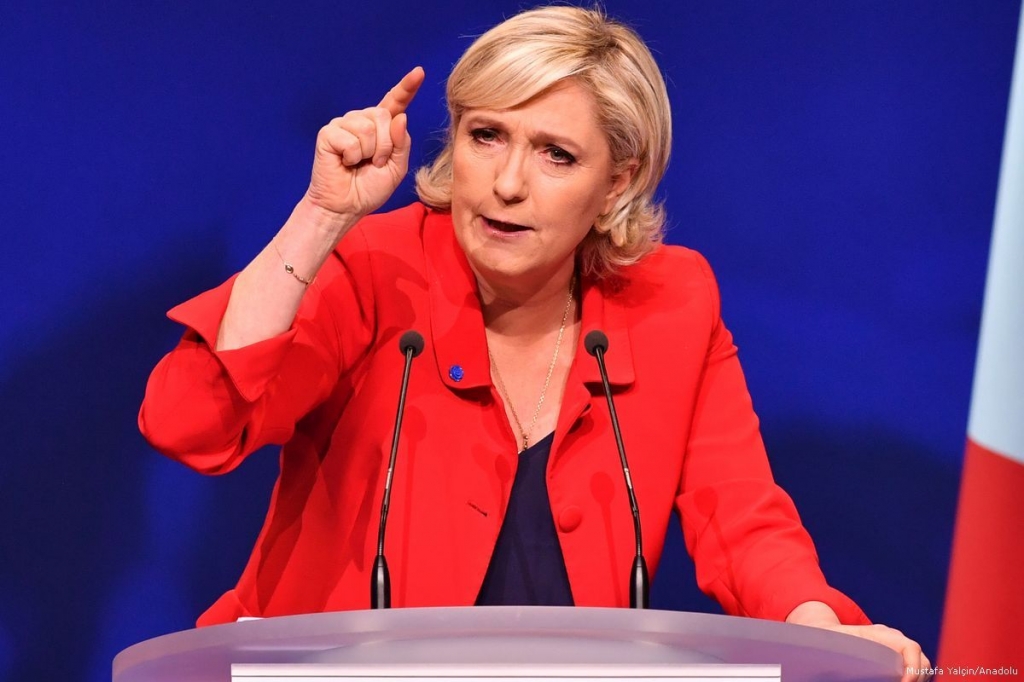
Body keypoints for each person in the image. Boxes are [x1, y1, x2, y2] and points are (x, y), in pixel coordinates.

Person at [140, 6, 929, 680]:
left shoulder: (671, 301)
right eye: (487, 136)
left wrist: (816, 627)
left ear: (617, 182)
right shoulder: (379, 270)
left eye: (556, 154)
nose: (507, 182)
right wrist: (321, 215)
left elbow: (741, 516)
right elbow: (190, 425)